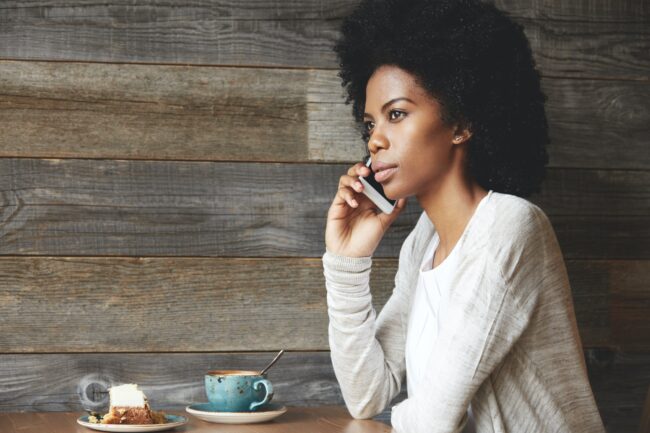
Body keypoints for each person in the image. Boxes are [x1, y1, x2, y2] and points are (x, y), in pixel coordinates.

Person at [321, 0, 606, 432]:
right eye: (369, 123)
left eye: (396, 114)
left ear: (461, 123)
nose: (375, 139)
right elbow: (367, 394)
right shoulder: (425, 241)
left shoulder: (511, 226)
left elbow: (434, 421)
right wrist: (347, 262)